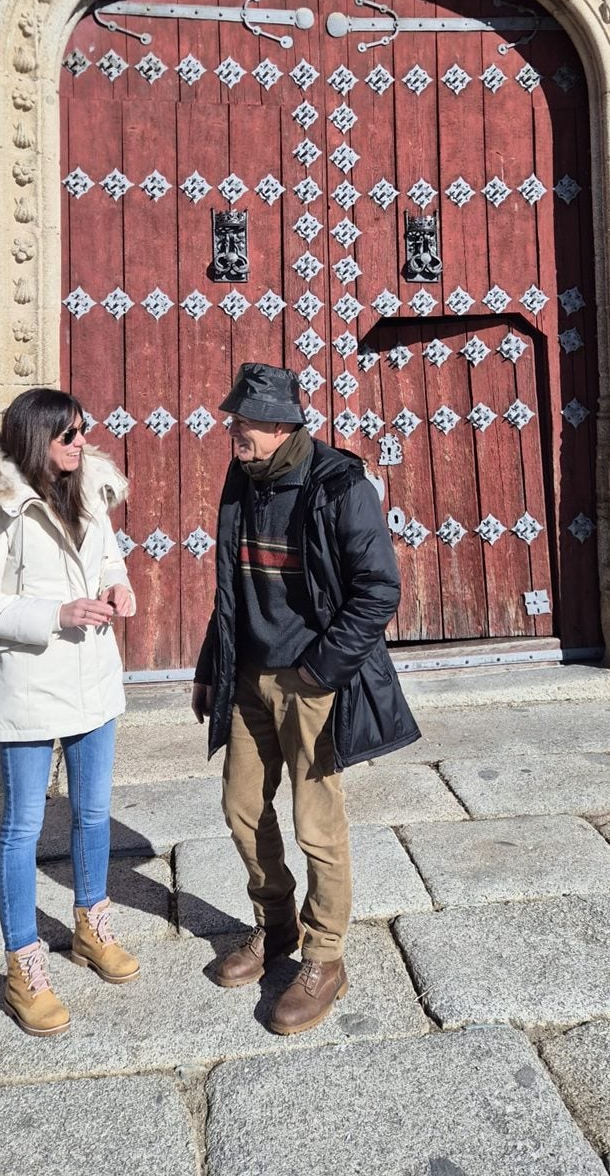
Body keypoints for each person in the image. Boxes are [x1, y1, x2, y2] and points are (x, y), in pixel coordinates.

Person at [192, 362, 419, 1035]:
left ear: (282, 425)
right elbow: (230, 586)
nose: (234, 430)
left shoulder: (339, 485)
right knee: (240, 809)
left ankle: (325, 957)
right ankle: (276, 924)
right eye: (235, 418)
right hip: (248, 677)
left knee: (317, 824)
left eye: (246, 422)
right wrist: (212, 666)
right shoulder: (243, 476)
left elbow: (378, 589)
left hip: (310, 682)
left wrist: (320, 671)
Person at [0, 387, 140, 1037]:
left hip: (92, 677)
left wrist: (118, 584)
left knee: (91, 813)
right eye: (69, 435)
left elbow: (109, 555)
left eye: (84, 430)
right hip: (32, 685)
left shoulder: (88, 488)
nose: (83, 442)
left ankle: (92, 927)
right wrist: (52, 615)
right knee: (22, 828)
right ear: (38, 439)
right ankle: (23, 964)